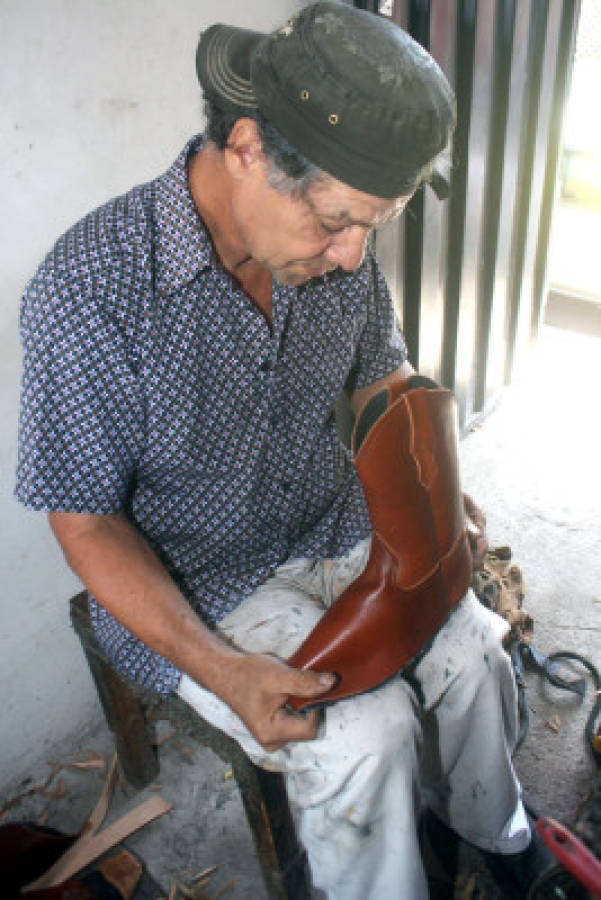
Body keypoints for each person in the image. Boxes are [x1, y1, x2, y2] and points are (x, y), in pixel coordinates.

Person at [16, 3, 550, 897]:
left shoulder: (337, 251)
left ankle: (494, 834)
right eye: (337, 221)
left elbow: (383, 372)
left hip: (334, 517)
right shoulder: (92, 289)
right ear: (250, 148)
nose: (351, 255)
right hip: (198, 577)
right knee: (360, 735)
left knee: (474, 654)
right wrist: (223, 669)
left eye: (372, 225)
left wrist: (428, 482)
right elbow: (87, 521)